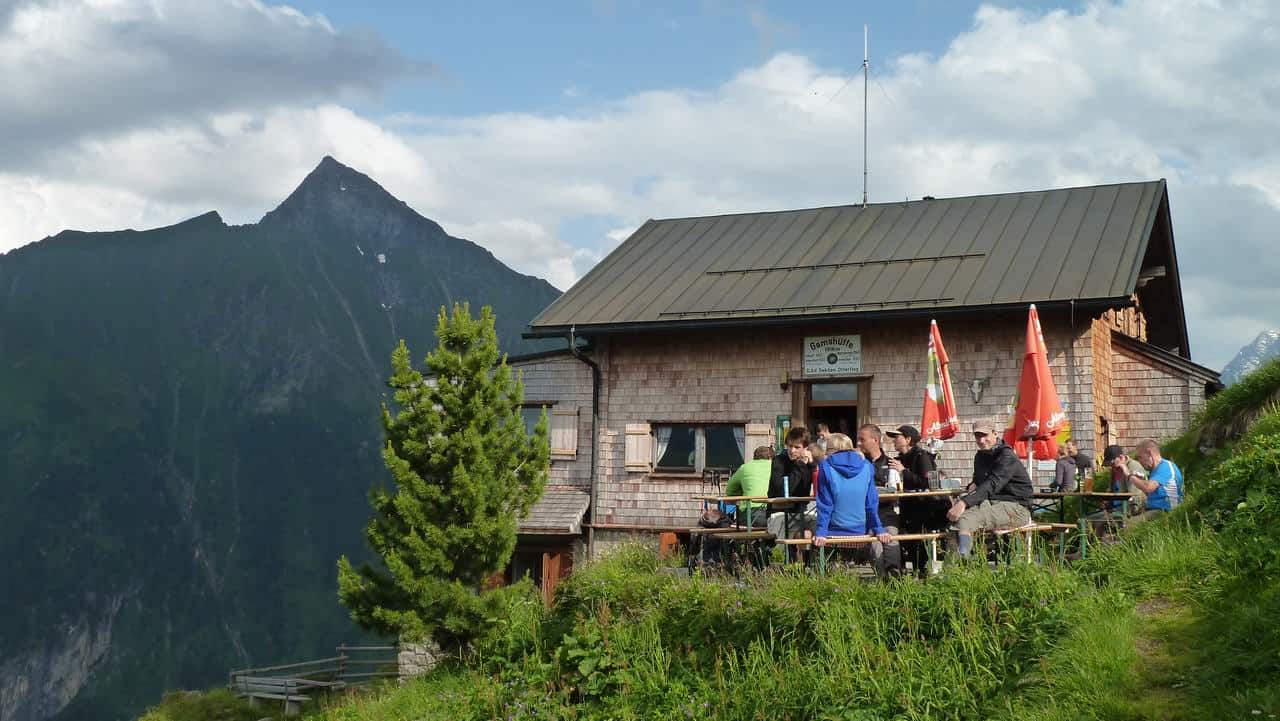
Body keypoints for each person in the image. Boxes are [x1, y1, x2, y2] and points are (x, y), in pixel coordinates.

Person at [947, 420, 1034, 558]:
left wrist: (964, 502)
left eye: (985, 435)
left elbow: (993, 483)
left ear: (995, 434)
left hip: (1017, 506)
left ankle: (961, 560)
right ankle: (960, 559)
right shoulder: (980, 456)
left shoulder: (1006, 456)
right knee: (955, 517)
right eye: (977, 436)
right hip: (991, 502)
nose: (981, 440)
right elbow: (979, 481)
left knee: (967, 520)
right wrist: (972, 485)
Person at [813, 433, 893, 573]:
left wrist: (821, 531)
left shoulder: (825, 467)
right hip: (862, 530)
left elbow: (825, 504)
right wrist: (878, 528)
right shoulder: (867, 466)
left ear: (831, 449)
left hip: (834, 531)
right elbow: (871, 503)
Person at [886, 425, 947, 575]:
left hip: (925, 508)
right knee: (904, 537)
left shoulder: (922, 456)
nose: (894, 441)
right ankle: (906, 572)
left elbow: (929, 483)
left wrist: (904, 471)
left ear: (908, 439)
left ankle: (921, 572)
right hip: (907, 507)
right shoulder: (899, 459)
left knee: (916, 540)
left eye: (897, 437)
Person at [857, 424, 902, 576]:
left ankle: (895, 579)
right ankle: (883, 581)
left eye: (862, 440)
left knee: (891, 539)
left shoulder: (891, 463)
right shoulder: (857, 463)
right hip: (865, 515)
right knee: (875, 544)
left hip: (887, 512)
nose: (858, 443)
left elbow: (896, 491)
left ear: (875, 440)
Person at [767, 427, 815, 540]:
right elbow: (782, 491)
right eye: (789, 446)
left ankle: (811, 557)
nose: (792, 450)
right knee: (788, 534)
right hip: (778, 512)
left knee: (819, 527)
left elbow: (820, 487)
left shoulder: (809, 463)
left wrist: (813, 466)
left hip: (801, 511)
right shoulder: (779, 461)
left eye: (797, 447)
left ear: (806, 449)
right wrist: (800, 465)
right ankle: (782, 557)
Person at [1128, 439, 1185, 524]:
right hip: (1155, 510)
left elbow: (1148, 488)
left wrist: (1130, 476)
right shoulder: (1155, 470)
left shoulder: (1166, 466)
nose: (1139, 461)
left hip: (1166, 511)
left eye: (1140, 457)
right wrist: (1142, 481)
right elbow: (1151, 493)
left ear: (1149, 453)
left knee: (1124, 526)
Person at [725, 446, 774, 527]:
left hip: (750, 515)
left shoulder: (744, 467)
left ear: (754, 457)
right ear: (771, 457)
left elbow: (729, 490)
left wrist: (743, 492)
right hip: (774, 514)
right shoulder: (776, 467)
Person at [1102, 444, 1149, 512]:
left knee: (1095, 520)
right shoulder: (1115, 470)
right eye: (1110, 465)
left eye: (1113, 464)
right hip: (1115, 508)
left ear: (1121, 457)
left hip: (1130, 509)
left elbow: (1134, 495)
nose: (1112, 467)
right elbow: (1112, 490)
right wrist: (1106, 500)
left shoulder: (1133, 466)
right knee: (1091, 517)